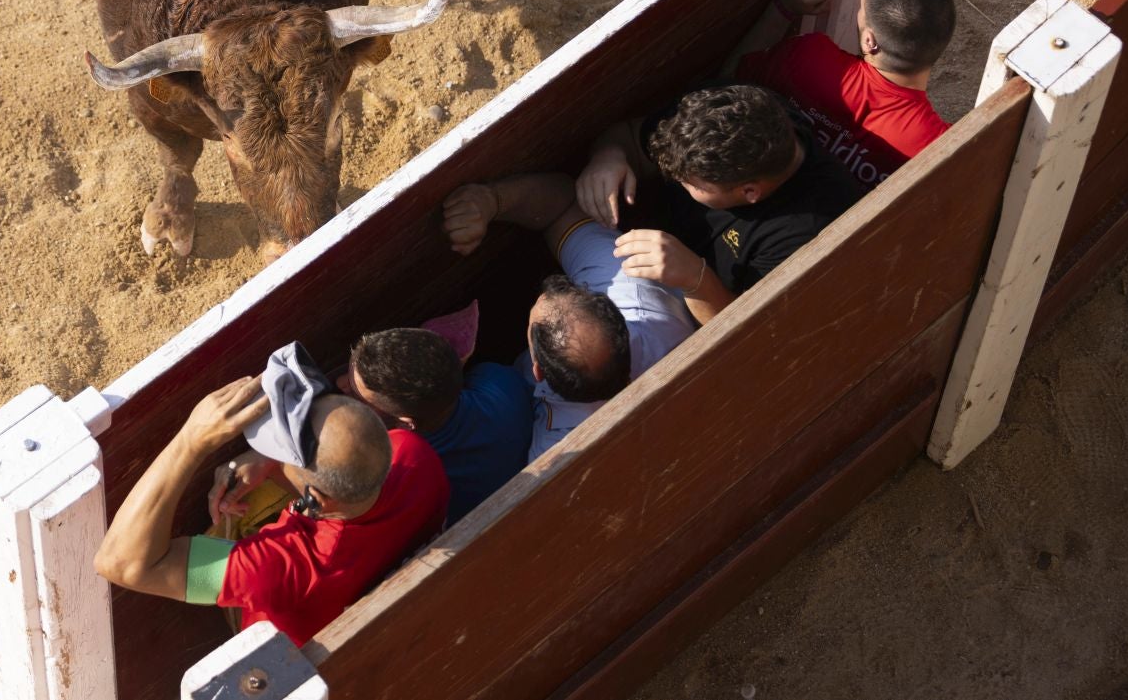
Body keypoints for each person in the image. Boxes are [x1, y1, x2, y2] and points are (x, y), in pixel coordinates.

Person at [93, 375, 447, 646]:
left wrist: (191, 442)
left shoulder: (282, 569)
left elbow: (121, 563)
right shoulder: (414, 453)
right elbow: (343, 479)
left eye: (284, 453)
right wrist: (272, 462)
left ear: (317, 500)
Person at [441, 174, 694, 456]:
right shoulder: (631, 284)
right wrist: (492, 201)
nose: (545, 293)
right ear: (612, 311)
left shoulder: (556, 451)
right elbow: (560, 208)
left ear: (537, 369)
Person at [574, 83, 864, 322]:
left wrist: (695, 279)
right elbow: (628, 136)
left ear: (749, 192)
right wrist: (609, 156)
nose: (673, 179)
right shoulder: (725, 112)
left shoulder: (807, 235)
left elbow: (752, 332)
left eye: (690, 184)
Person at [726, 0, 956, 188]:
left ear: (870, 41)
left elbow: (730, 79)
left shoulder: (810, 57)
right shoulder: (938, 144)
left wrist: (783, 5)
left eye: (861, 9)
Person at [348, 326, 533, 525]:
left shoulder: (410, 479)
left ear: (406, 423)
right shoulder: (501, 384)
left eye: (358, 396)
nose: (345, 387)